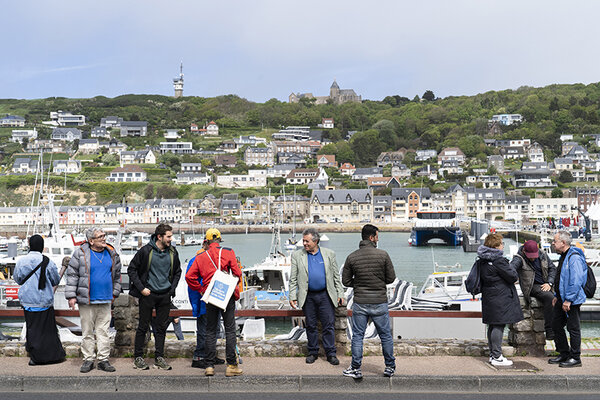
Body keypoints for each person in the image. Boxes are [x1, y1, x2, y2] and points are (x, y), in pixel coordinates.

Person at [186, 228, 243, 377]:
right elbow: (237, 273)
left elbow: (189, 277)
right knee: (230, 329)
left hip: (210, 295)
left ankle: (209, 366)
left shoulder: (201, 257)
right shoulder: (228, 252)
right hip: (227, 295)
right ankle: (231, 365)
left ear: (206, 241)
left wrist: (200, 289)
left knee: (210, 330)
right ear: (219, 240)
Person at [342, 224, 396, 379]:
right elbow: (391, 278)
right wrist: (377, 282)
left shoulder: (352, 257)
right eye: (377, 236)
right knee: (385, 335)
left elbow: (345, 281)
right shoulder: (383, 255)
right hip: (379, 301)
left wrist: (358, 283)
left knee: (358, 336)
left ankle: (355, 368)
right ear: (372, 237)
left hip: (360, 302)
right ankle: (390, 367)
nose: (378, 239)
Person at [65, 228, 122, 373]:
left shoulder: (112, 253)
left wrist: (115, 293)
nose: (104, 238)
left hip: (106, 299)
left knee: (104, 331)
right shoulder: (80, 254)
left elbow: (117, 275)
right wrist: (71, 296)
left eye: (104, 235)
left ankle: (103, 360)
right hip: (87, 300)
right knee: (87, 331)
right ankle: (88, 359)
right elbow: (72, 276)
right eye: (100, 237)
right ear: (91, 241)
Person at [128, 223, 181, 371]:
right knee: (143, 327)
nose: (171, 239)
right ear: (159, 236)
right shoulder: (146, 251)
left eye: (171, 236)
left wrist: (172, 289)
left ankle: (159, 358)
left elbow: (177, 272)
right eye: (168, 236)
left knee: (161, 328)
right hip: (148, 294)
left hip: (165, 296)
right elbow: (131, 269)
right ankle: (138, 358)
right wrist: (141, 288)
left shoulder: (173, 252)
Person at [289, 228, 344, 366]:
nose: (304, 244)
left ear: (315, 241)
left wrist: (340, 293)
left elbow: (336, 276)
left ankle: (331, 353)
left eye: (307, 241)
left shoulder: (329, 254)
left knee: (328, 325)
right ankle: (312, 352)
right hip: (308, 296)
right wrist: (292, 296)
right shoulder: (297, 255)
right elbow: (293, 278)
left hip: (325, 295)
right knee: (311, 325)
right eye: (304, 241)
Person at [14, 235, 65, 366]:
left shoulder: (21, 261)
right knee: (47, 331)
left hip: (28, 301)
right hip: (44, 301)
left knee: (32, 329)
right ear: (42, 246)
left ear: (30, 245)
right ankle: (51, 356)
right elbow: (55, 280)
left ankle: (35, 357)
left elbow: (18, 279)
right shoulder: (48, 262)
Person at [477, 233, 523, 367]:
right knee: (498, 325)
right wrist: (514, 263)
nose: (503, 246)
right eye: (502, 243)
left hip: (489, 296)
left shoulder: (483, 259)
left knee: (493, 325)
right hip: (500, 297)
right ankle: (497, 356)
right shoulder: (498, 260)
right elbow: (513, 276)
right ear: (496, 246)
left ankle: (493, 354)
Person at [549, 230, 587, 368]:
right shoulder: (563, 256)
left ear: (563, 243)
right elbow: (562, 278)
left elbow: (575, 281)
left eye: (555, 241)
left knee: (573, 328)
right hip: (561, 298)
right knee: (556, 325)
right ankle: (564, 353)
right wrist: (556, 296)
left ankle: (575, 357)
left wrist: (568, 300)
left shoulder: (574, 257)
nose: (553, 243)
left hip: (572, 300)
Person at [186, 240, 225, 368]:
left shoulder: (212, 258)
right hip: (203, 300)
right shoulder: (196, 259)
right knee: (205, 330)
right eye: (214, 243)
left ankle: (210, 355)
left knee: (214, 329)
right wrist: (202, 291)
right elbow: (191, 279)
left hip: (214, 299)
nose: (216, 246)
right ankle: (199, 356)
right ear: (206, 243)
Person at [510, 240, 557, 340]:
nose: (533, 258)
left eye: (534, 255)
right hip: (531, 286)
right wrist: (514, 278)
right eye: (530, 256)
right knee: (550, 298)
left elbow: (552, 269)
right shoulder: (519, 258)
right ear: (524, 251)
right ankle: (549, 330)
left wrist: (549, 282)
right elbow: (511, 269)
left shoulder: (543, 254)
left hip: (546, 284)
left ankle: (560, 343)